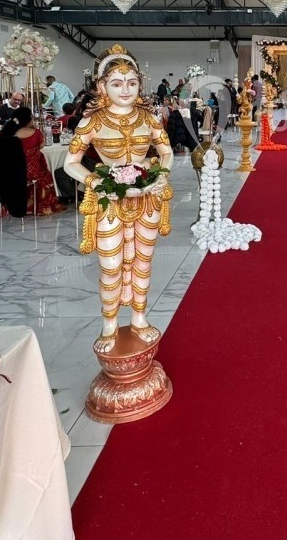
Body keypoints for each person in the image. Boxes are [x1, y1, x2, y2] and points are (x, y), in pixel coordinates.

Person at [64, 44, 174, 348]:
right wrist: (96, 182)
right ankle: (109, 324)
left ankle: (139, 318)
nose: (125, 90)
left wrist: (160, 176)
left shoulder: (149, 118)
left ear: (140, 85)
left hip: (147, 197)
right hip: (109, 200)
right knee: (111, 265)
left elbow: (166, 152)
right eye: (116, 83)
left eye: (132, 82)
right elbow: (70, 163)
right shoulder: (92, 121)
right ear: (102, 87)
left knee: (143, 261)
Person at [0, 107, 65, 216]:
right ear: (29, 120)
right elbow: (42, 145)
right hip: (34, 171)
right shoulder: (35, 133)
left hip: (13, 171)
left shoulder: (7, 134)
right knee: (44, 173)